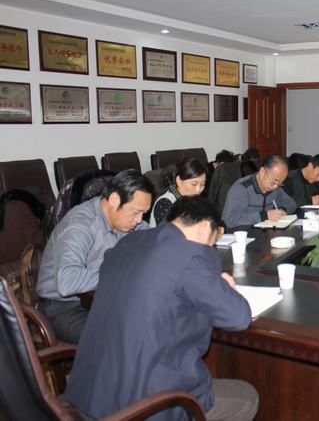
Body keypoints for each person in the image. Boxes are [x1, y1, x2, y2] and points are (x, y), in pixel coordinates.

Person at [64, 197, 258, 421]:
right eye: (213, 241)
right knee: (246, 397)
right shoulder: (191, 254)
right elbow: (238, 317)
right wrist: (220, 285)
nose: (210, 247)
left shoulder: (127, 243)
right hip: (140, 407)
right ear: (206, 226)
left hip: (87, 395)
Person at [36, 169, 154, 344]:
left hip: (98, 299)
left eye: (143, 213)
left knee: (155, 321)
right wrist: (118, 271)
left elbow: (155, 242)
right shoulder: (81, 225)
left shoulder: (126, 221)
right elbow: (67, 282)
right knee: (117, 339)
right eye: (135, 212)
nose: (139, 220)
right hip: (62, 306)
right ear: (114, 200)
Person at [222, 155, 297, 230]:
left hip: (264, 232)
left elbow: (291, 203)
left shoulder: (275, 188)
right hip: (242, 234)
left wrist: (282, 210)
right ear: (262, 172)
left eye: (280, 183)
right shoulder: (241, 188)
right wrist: (264, 216)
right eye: (274, 181)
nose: (276, 186)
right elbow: (231, 220)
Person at [150, 158, 207, 227]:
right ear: (179, 181)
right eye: (194, 184)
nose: (198, 189)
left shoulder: (195, 200)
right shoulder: (165, 202)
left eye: (202, 184)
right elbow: (167, 232)